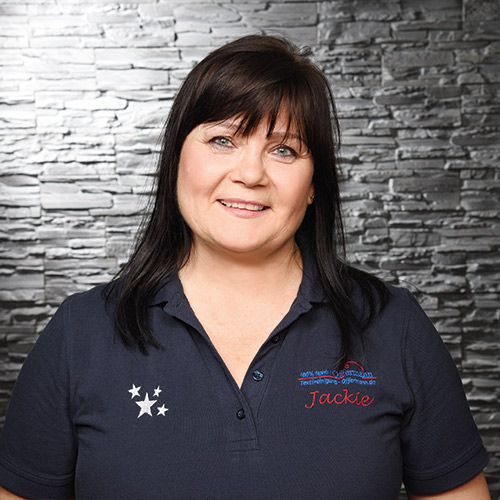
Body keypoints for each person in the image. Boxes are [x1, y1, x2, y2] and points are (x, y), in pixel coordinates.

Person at [0, 34, 490, 500]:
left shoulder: (393, 326)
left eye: (284, 150)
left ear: (313, 185)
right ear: (176, 160)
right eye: (222, 140)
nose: (251, 174)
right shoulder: (81, 333)